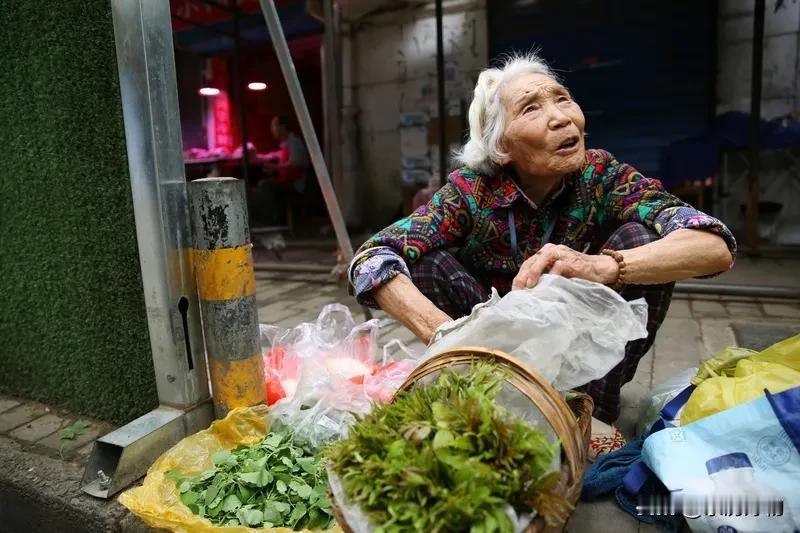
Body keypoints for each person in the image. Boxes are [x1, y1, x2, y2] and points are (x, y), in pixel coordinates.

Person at [348, 53, 736, 431]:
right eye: (531, 109)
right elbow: (371, 257)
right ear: (501, 147)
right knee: (425, 262)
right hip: (495, 351)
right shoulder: (469, 192)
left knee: (640, 239)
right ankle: (483, 390)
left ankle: (588, 416)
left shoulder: (601, 175)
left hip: (583, 355)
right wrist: (448, 338)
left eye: (562, 98)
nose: (561, 117)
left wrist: (604, 266)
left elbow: (714, 245)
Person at [256, 116, 311, 225]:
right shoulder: (286, 143)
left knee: (265, 185)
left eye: (274, 126)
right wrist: (257, 156)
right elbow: (274, 154)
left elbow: (296, 163)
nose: (272, 129)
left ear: (283, 127)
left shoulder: (294, 142)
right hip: (287, 182)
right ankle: (276, 218)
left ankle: (274, 220)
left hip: (295, 185)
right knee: (265, 184)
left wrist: (275, 167)